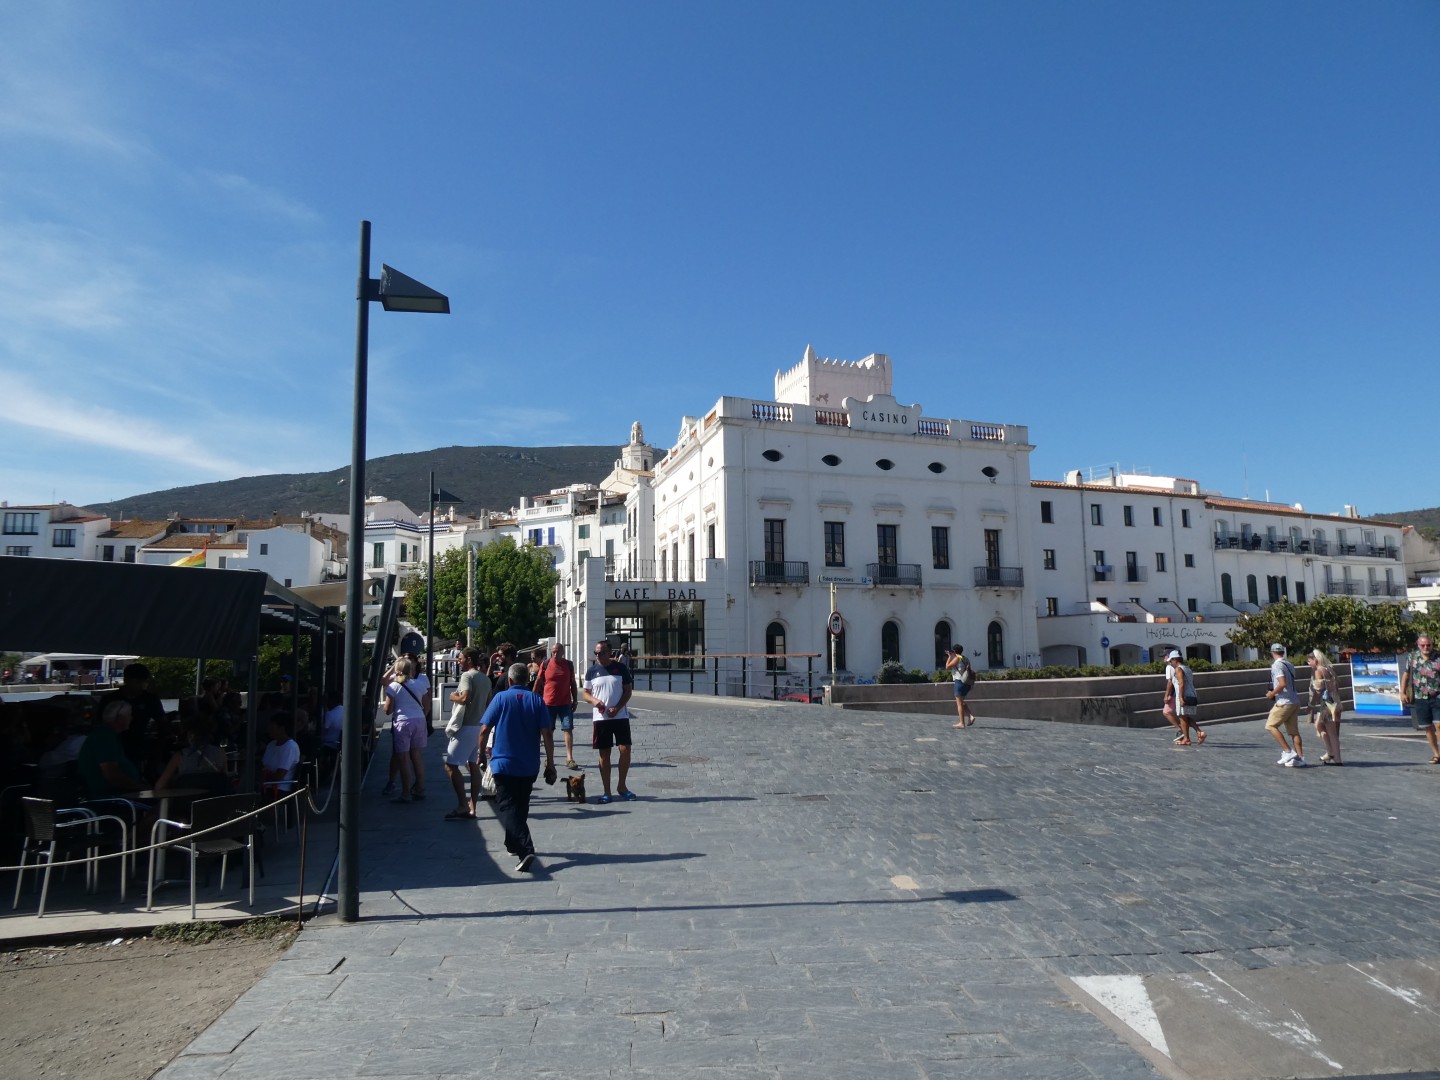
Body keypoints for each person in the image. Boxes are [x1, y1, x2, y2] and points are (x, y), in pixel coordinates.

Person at [476, 662, 556, 872]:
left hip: (503, 763)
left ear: (509, 680)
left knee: (508, 806)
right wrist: (550, 762)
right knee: (520, 805)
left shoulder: (500, 698)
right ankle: (512, 843)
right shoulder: (537, 700)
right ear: (527, 680)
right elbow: (547, 733)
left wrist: (481, 754)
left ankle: (525, 849)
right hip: (529, 764)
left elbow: (484, 729)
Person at [583, 640, 636, 803]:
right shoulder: (592, 671)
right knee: (604, 753)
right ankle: (607, 791)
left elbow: (628, 691)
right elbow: (585, 693)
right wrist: (594, 701)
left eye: (601, 653)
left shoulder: (620, 668)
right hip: (601, 718)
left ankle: (622, 786)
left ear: (610, 652)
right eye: (596, 653)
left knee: (625, 749)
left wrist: (618, 707)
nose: (598, 656)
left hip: (620, 716)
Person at [443, 646, 491, 820]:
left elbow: (464, 698)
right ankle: (472, 807)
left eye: (460, 658)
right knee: (473, 765)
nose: (458, 661)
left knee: (450, 765)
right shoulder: (485, 679)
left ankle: (463, 805)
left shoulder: (467, 676)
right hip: (479, 726)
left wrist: (453, 697)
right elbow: (488, 703)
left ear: (469, 659)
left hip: (465, 726)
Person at [101, 663, 167, 778]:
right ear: (126, 680)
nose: (141, 686)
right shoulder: (110, 699)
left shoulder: (150, 699)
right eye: (137, 682)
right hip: (112, 749)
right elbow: (101, 725)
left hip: (138, 749)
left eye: (144, 682)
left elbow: (163, 724)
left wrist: (157, 753)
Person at [381, 656, 430, 802]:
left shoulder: (394, 686)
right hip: (419, 720)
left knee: (403, 759)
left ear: (398, 670)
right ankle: (420, 789)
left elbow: (387, 710)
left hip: (403, 722)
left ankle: (406, 793)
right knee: (417, 756)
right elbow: (427, 705)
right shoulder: (420, 684)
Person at [78, 699, 147, 799]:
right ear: (119, 717)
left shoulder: (110, 735)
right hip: (107, 797)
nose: (131, 718)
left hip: (117, 794)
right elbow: (112, 775)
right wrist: (141, 788)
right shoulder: (104, 736)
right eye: (129, 715)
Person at [534, 642, 582, 770]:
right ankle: (549, 758)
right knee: (548, 731)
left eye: (557, 651)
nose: (555, 654)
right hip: (548, 703)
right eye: (553, 651)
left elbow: (573, 683)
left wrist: (575, 700)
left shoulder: (568, 665)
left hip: (565, 703)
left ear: (563, 652)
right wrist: (533, 697)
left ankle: (569, 758)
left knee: (568, 729)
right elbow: (538, 681)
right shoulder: (546, 664)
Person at [156, 714, 231, 793]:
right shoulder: (221, 753)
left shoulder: (180, 756)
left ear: (190, 734)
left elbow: (159, 786)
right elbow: (225, 781)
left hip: (186, 800)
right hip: (214, 799)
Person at [1400, 634, 1440, 764]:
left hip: (1437, 695)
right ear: (1418, 645)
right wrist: (1402, 692)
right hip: (1420, 697)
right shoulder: (1412, 657)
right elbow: (1406, 675)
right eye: (1423, 645)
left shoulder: (1438, 657)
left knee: (1439, 724)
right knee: (1428, 727)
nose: (1426, 647)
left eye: (1428, 645)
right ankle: (1436, 754)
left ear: (1432, 645)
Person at [1264, 643, 1305, 767]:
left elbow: (1282, 683)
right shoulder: (1289, 664)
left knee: (1270, 726)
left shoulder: (1277, 665)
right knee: (1294, 731)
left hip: (1284, 701)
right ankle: (1300, 758)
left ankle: (1288, 751)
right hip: (1294, 700)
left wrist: (1272, 694)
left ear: (1272, 653)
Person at [1307, 649, 1344, 765]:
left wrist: (1311, 704)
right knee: (1319, 725)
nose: (1308, 663)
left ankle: (1336, 757)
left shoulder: (1319, 671)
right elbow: (1337, 686)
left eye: (1309, 661)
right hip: (1336, 701)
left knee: (1331, 732)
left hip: (1328, 703)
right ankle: (1331, 752)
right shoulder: (1329, 669)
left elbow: (1318, 691)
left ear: (1316, 660)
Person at [1166, 651, 1205, 746]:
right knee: (1185, 716)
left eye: (1171, 661)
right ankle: (1198, 733)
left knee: (1182, 717)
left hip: (1184, 695)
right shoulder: (1187, 668)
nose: (1171, 663)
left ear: (1175, 659)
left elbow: (1181, 683)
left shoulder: (1178, 669)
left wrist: (1180, 697)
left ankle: (1187, 738)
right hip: (1192, 694)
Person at [260, 713, 302, 796]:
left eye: (272, 727)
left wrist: (264, 776)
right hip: (266, 785)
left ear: (282, 729)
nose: (269, 729)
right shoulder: (271, 745)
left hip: (281, 789)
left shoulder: (290, 747)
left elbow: (279, 776)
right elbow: (262, 765)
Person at [944, 645, 975, 728]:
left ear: (954, 651)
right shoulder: (965, 658)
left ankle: (961, 723)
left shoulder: (957, 658)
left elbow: (947, 667)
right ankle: (970, 716)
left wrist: (949, 656)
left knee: (959, 703)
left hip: (959, 682)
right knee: (961, 701)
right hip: (967, 682)